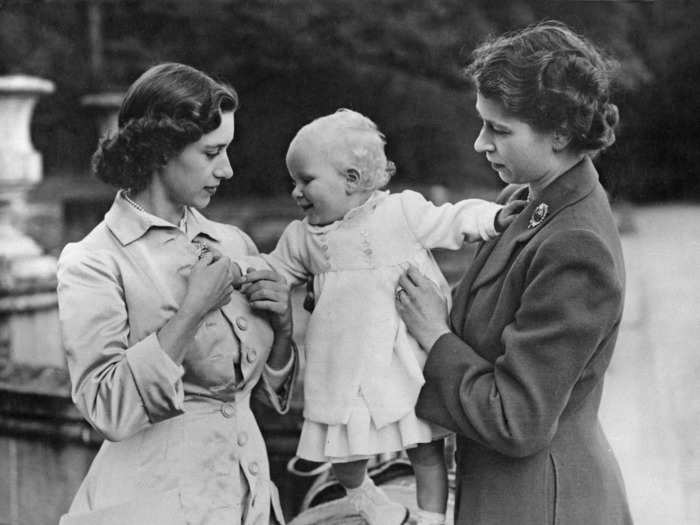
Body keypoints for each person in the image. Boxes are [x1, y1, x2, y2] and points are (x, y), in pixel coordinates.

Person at [232, 108, 525, 525]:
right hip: (344, 365)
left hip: (403, 359)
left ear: (351, 179)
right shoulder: (303, 237)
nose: (296, 192)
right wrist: (241, 269)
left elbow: (451, 219)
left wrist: (492, 219)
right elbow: (274, 269)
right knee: (342, 453)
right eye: (293, 181)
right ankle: (369, 501)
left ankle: (431, 520)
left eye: (306, 181)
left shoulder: (400, 212)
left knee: (425, 448)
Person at [396, 21, 633, 525]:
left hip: (543, 502)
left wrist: (435, 335)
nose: (481, 143)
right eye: (483, 124)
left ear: (561, 134)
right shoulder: (521, 203)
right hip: (502, 495)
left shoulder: (576, 244)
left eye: (500, 130)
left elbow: (516, 418)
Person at [56, 63, 297, 525]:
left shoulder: (232, 243)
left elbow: (257, 398)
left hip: (248, 504)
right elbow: (108, 409)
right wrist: (190, 312)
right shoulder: (93, 261)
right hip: (154, 509)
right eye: (212, 153)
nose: (226, 169)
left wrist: (283, 328)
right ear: (162, 149)